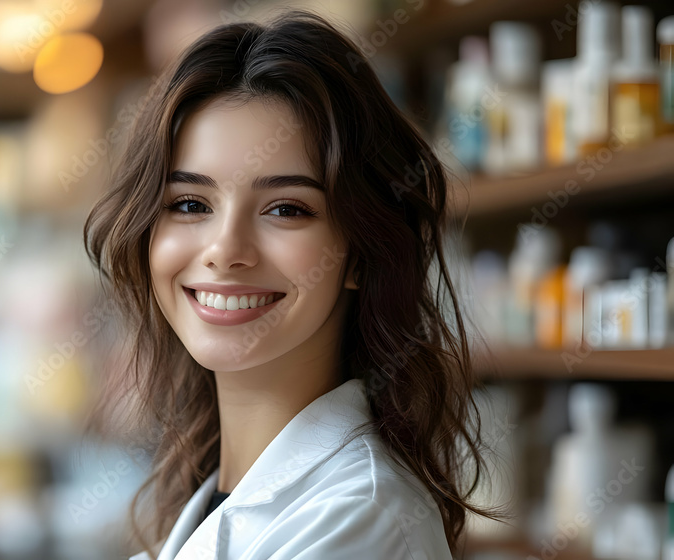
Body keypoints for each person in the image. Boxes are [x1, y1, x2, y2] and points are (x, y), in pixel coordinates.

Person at [82, 8, 505, 560]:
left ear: (362, 252)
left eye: (285, 209)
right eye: (190, 204)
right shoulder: (211, 494)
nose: (225, 251)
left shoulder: (359, 520)